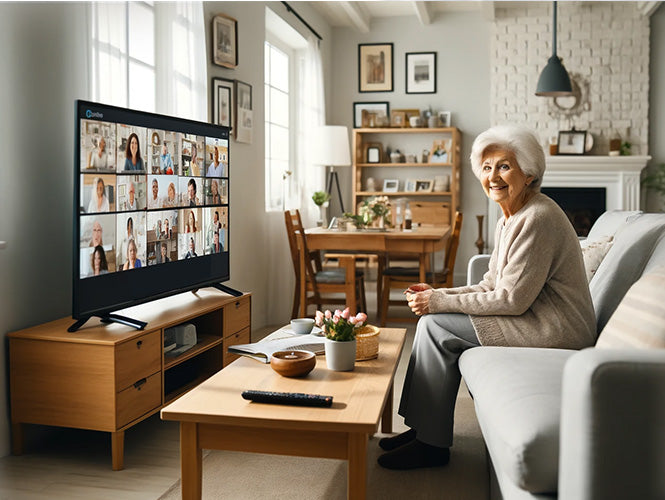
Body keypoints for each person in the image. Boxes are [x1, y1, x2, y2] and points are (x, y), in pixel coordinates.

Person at [377, 125, 596, 471]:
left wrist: (437, 304)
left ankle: (431, 445)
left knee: (436, 327)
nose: (493, 176)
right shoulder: (509, 218)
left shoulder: (538, 218)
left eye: (505, 166)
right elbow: (491, 283)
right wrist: (439, 294)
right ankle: (423, 429)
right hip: (533, 318)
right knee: (434, 320)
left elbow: (509, 300)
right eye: (487, 166)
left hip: (555, 329)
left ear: (529, 173)